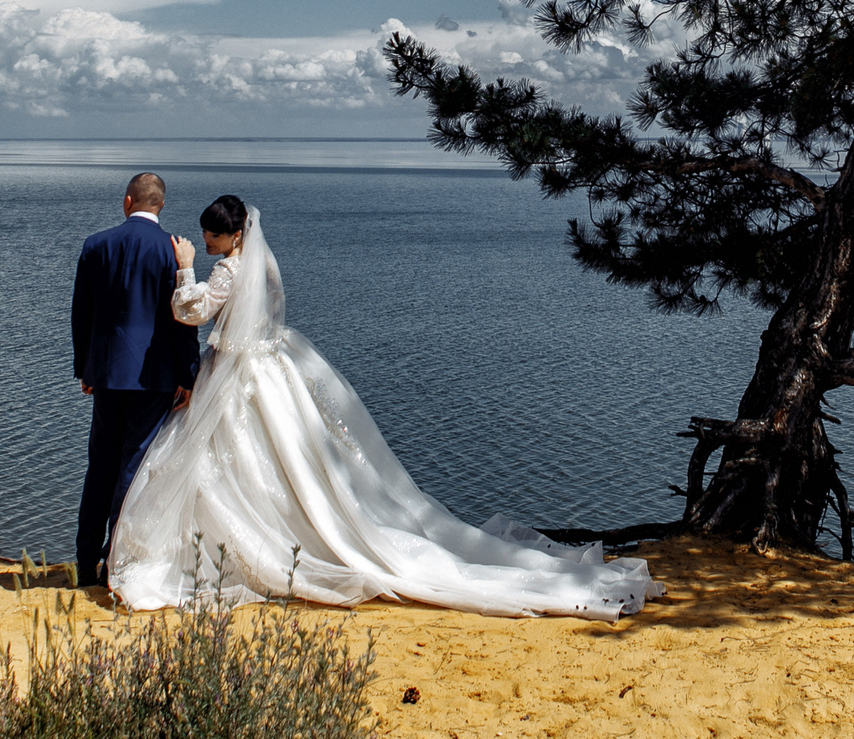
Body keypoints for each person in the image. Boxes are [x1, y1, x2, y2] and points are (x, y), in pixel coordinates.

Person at [105, 195, 662, 619]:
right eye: (199, 237)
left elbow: (191, 311)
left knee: (228, 463)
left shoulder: (227, 271)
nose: (202, 240)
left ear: (231, 236)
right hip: (272, 368)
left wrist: (182, 266)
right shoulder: (264, 266)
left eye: (208, 234)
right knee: (282, 465)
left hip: (236, 376)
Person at [70, 171, 202, 589]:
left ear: (128, 201)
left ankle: (85, 560)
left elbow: (81, 314)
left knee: (100, 467)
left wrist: (85, 368)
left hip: (107, 374)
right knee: (134, 466)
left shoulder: (96, 244)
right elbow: (183, 321)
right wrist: (189, 375)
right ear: (159, 205)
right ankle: (116, 562)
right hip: (155, 377)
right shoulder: (171, 251)